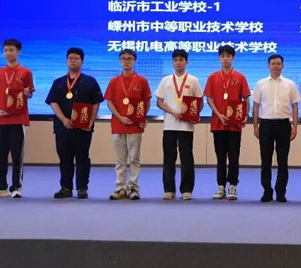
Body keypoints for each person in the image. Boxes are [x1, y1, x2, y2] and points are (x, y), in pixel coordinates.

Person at [46, 47, 103, 199]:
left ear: (82, 62)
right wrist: (63, 119)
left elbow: (96, 102)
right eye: (70, 58)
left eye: (76, 59)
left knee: (82, 158)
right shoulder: (58, 82)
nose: (73, 61)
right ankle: (66, 187)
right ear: (66, 61)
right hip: (63, 127)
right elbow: (53, 102)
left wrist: (91, 120)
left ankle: (82, 188)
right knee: (65, 158)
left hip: (83, 128)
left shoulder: (90, 81)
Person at [0, 38, 34, 198]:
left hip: (18, 120)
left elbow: (29, 93)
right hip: (0, 121)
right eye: (6, 50)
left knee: (17, 156)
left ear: (18, 52)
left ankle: (16, 188)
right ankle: (0, 188)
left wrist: (27, 93)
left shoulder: (26, 72)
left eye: (11, 50)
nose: (8, 53)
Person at [204, 45, 251, 201]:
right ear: (219, 58)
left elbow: (246, 98)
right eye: (223, 56)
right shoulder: (212, 77)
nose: (225, 58)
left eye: (228, 56)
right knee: (220, 157)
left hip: (234, 124)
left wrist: (245, 115)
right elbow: (209, 98)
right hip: (218, 123)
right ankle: (220, 186)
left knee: (234, 156)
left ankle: (233, 186)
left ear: (233, 58)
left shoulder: (240, 77)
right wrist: (218, 114)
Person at [155, 49, 203, 200]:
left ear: (186, 62)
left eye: (181, 60)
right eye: (175, 60)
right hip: (169, 125)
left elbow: (199, 101)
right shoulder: (166, 80)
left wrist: (194, 114)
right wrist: (172, 112)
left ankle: (186, 189)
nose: (178, 62)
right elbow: (159, 102)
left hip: (186, 126)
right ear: (172, 62)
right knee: (169, 157)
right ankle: (169, 189)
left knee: (186, 158)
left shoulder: (193, 80)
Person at [252, 54, 300, 202]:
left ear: (282, 66)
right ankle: (267, 191)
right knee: (265, 161)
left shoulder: (290, 84)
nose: (275, 66)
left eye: (278, 64)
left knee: (283, 161)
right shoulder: (260, 84)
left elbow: (295, 106)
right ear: (268, 66)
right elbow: (255, 106)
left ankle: (281, 192)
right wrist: (255, 126)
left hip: (283, 124)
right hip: (266, 124)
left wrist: (295, 126)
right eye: (273, 64)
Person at [104, 49, 152, 200]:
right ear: (120, 61)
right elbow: (109, 102)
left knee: (134, 159)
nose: (126, 61)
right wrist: (120, 117)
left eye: (129, 58)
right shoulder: (114, 81)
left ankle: (133, 188)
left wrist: (142, 117)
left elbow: (146, 101)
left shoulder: (142, 80)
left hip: (135, 125)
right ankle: (120, 188)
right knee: (120, 160)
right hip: (118, 124)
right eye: (123, 59)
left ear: (134, 61)